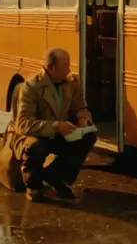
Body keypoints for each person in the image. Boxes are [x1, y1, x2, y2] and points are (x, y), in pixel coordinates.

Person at [12, 47, 96, 202]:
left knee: (88, 135)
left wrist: (83, 119)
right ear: (51, 67)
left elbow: (80, 107)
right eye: (65, 65)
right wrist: (56, 126)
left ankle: (57, 177)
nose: (69, 69)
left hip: (62, 133)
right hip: (36, 135)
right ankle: (33, 185)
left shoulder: (72, 83)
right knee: (37, 147)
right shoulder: (31, 87)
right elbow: (23, 124)